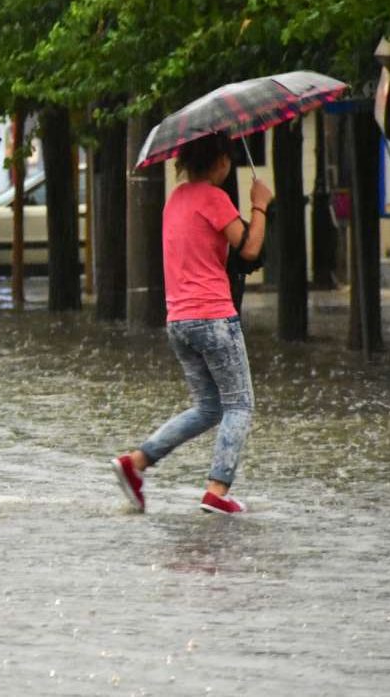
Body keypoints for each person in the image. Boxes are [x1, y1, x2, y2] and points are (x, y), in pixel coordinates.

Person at [110, 131, 272, 515]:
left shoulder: (175, 200)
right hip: (213, 315)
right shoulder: (215, 199)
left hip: (179, 320)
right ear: (219, 162)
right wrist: (260, 205)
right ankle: (217, 490)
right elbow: (249, 249)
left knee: (208, 407)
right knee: (240, 405)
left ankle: (136, 463)